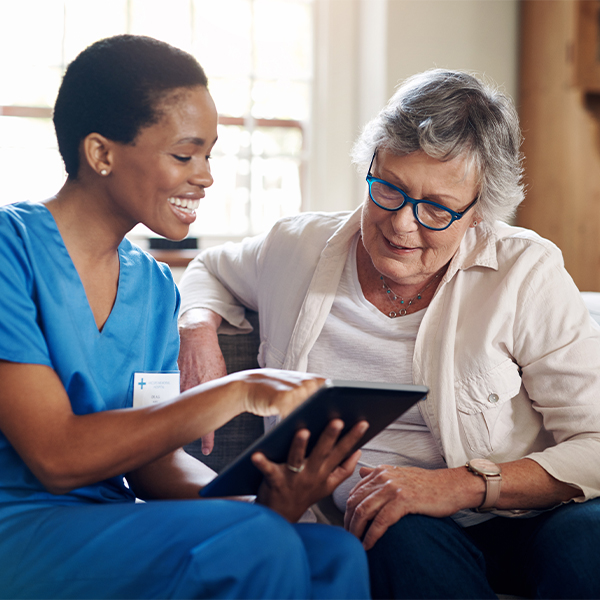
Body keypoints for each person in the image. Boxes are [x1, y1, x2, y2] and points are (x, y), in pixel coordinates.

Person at [177, 68, 600, 599]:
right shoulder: (297, 246)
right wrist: (197, 329)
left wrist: (458, 486)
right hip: (399, 524)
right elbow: (209, 269)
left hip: (529, 514)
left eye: (437, 209)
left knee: (590, 542)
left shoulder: (526, 271)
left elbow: (597, 443)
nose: (402, 224)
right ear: (371, 166)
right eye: (389, 190)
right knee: (393, 530)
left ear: (479, 214)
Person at [0, 34, 372, 600]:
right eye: (183, 154)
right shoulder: (11, 249)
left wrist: (261, 502)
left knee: (330, 553)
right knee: (258, 541)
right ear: (101, 153)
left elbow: (153, 466)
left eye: (209, 154)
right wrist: (237, 391)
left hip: (107, 522)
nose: (205, 176)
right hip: (17, 526)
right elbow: (55, 455)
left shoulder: (151, 285)